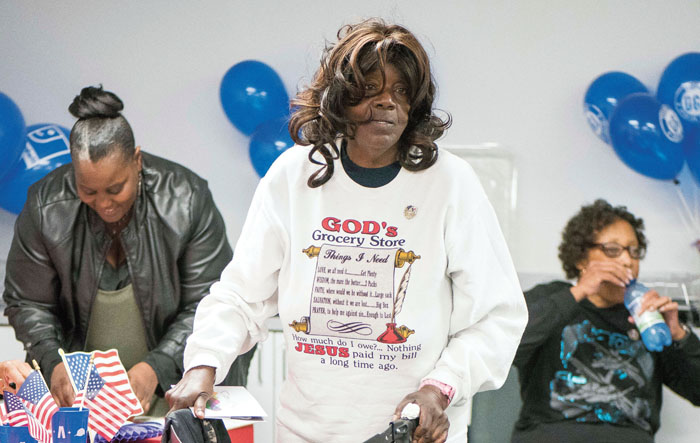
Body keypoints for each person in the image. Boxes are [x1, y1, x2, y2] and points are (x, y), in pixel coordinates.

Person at [166, 19, 527, 442]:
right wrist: (203, 364)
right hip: (307, 431)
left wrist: (440, 388)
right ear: (340, 98)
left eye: (401, 92)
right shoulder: (294, 175)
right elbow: (241, 296)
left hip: (412, 431)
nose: (387, 102)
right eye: (371, 89)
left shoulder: (450, 182)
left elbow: (496, 315)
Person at [2, 85, 254, 416]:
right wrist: (53, 363)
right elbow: (28, 303)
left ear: (137, 160)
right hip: (80, 403)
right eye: (88, 191)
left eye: (115, 188)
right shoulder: (45, 205)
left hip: (174, 390)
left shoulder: (186, 198)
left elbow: (208, 302)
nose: (104, 203)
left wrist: (156, 368)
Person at [511, 199, 700, 443]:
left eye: (634, 251)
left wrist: (679, 335)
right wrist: (579, 291)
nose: (627, 260)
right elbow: (505, 347)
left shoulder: (646, 316)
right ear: (581, 259)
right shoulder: (551, 297)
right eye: (612, 250)